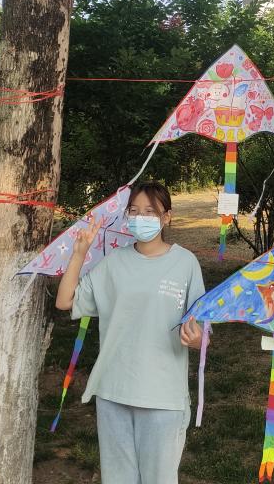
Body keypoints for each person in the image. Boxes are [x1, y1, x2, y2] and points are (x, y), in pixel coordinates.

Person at [55, 182, 206, 484]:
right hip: (113, 391)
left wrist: (197, 339)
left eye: (150, 211)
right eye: (134, 211)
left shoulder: (185, 263)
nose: (140, 218)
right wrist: (79, 254)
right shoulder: (113, 262)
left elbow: (201, 328)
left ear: (167, 217)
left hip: (163, 396)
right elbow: (65, 301)